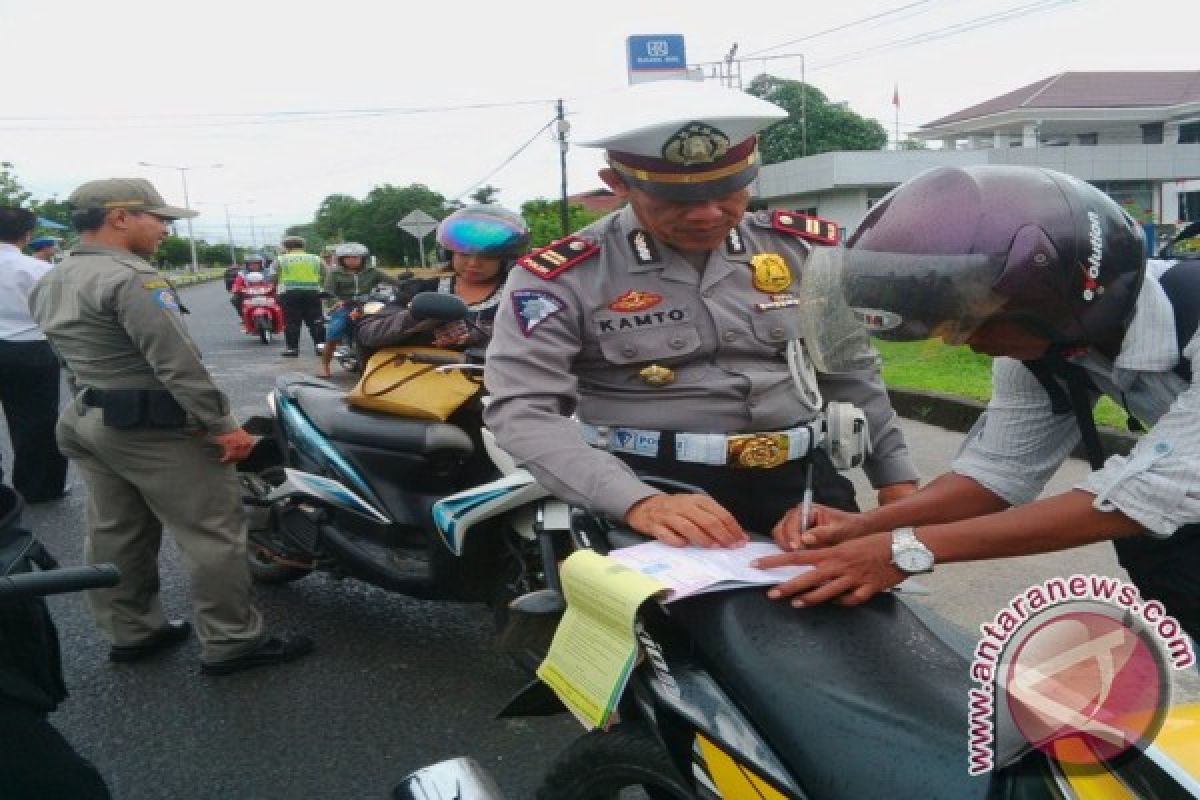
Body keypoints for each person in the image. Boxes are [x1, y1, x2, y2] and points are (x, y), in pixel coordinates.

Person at [756, 165, 1200, 644]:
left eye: (969, 323)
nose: (965, 344)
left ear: (1058, 297)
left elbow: (1153, 494)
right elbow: (997, 472)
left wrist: (903, 549)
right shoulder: (1048, 348)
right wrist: (865, 526)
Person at [483, 81, 918, 547]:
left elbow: (850, 374)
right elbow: (523, 409)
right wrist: (638, 502)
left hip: (803, 485)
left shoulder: (801, 250)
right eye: (678, 200)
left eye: (728, 191)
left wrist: (898, 486)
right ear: (617, 185)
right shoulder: (562, 276)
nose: (708, 214)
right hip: (647, 484)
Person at [28, 178, 313, 676]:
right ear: (119, 217)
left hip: (91, 418)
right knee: (213, 533)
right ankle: (232, 641)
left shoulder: (54, 275)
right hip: (154, 428)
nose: (164, 228)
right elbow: (178, 364)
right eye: (157, 217)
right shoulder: (133, 278)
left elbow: (67, 357)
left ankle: (133, 632)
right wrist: (223, 426)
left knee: (117, 531)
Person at [356, 205, 529, 354]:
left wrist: (476, 335)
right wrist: (415, 318)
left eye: (487, 256)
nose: (473, 263)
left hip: (492, 387)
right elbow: (368, 334)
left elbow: (539, 341)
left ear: (507, 259)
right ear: (448, 253)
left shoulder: (521, 296)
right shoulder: (420, 290)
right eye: (464, 254)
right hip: (419, 383)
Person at [0, 206, 68, 503]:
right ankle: (40, 487)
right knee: (37, 422)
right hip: (31, 349)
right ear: (27, 235)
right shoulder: (40, 269)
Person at [317, 241, 396, 377]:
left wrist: (409, 285)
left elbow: (393, 281)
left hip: (367, 305)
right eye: (348, 258)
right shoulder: (335, 273)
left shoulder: (372, 272)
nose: (352, 261)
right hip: (344, 305)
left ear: (363, 258)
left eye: (355, 257)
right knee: (336, 329)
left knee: (389, 322)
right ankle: (325, 365)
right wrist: (337, 302)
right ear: (341, 260)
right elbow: (328, 292)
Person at [274, 234, 326, 357]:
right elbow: (326, 273)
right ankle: (321, 348)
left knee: (292, 322)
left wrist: (276, 287)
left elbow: (272, 276)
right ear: (303, 246)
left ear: (286, 247)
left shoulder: (281, 259)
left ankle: (292, 349)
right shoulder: (315, 258)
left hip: (289, 294)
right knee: (316, 321)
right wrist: (320, 285)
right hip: (312, 293)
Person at [229, 252, 267, 316]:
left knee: (281, 299)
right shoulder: (242, 274)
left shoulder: (267, 272)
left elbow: (274, 281)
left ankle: (283, 319)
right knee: (234, 299)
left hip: (267, 294)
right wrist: (235, 288)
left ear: (261, 264)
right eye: (250, 264)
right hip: (248, 295)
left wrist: (276, 287)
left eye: (256, 263)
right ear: (247, 265)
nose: (254, 265)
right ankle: (243, 316)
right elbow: (237, 284)